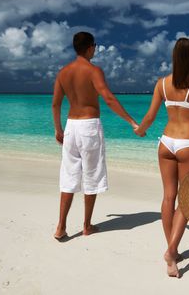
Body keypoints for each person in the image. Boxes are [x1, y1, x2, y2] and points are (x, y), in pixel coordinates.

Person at [134, 37, 189, 278]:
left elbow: (150, 115)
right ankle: (171, 252)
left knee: (168, 197)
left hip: (166, 143)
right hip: (188, 144)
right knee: (186, 200)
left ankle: (172, 251)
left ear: (174, 57)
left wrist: (141, 129)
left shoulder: (162, 84)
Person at [52, 31, 138, 240]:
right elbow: (108, 98)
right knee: (91, 175)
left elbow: (56, 104)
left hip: (71, 127)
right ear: (90, 47)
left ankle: (61, 227)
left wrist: (58, 129)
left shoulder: (63, 73)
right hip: (89, 127)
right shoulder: (93, 70)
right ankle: (87, 225)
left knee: (69, 176)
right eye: (95, 46)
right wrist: (132, 121)